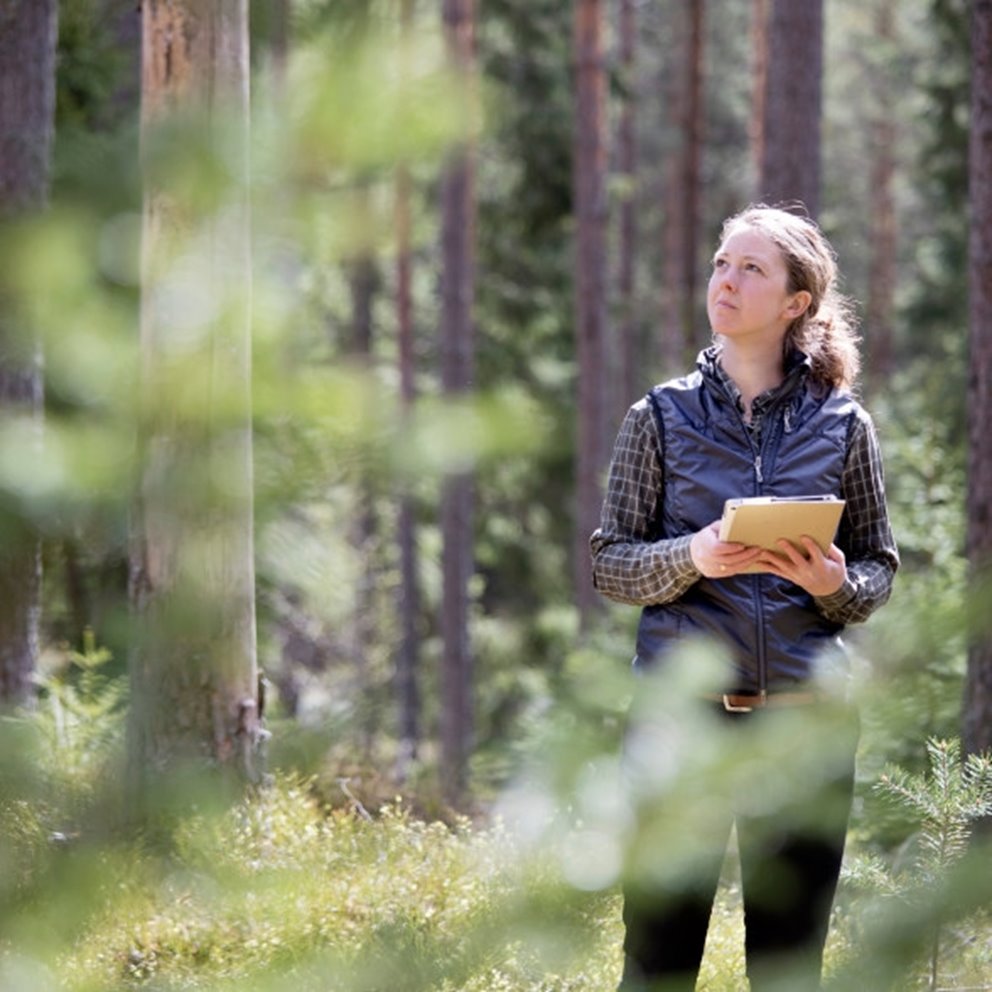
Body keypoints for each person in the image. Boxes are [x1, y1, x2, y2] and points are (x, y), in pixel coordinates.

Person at [590, 204, 899, 991]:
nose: (725, 281)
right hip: (679, 726)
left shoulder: (844, 424)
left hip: (805, 726)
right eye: (721, 264)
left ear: (797, 302)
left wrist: (835, 585)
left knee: (789, 970)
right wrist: (692, 555)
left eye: (750, 269)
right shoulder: (658, 417)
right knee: (657, 965)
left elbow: (878, 567)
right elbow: (610, 564)